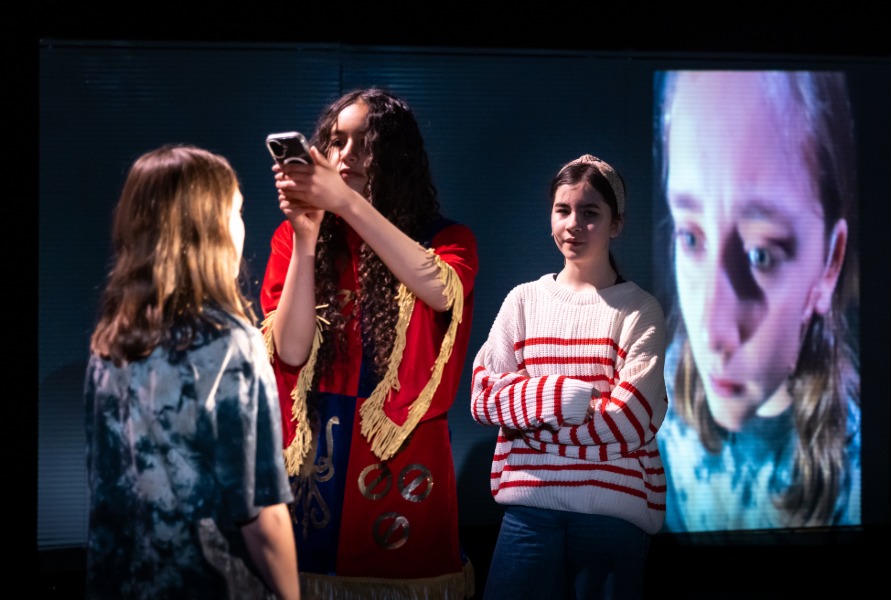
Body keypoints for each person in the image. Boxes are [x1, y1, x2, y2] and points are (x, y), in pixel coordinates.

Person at [260, 88, 478, 598]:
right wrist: (306, 236)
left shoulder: (447, 238)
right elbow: (289, 352)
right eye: (336, 142)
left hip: (400, 451)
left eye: (366, 142)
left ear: (396, 156)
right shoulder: (294, 238)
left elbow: (438, 290)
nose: (346, 156)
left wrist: (348, 204)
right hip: (321, 450)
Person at [84, 145, 299, 599]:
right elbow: (263, 516)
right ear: (210, 230)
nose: (241, 226)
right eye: (236, 212)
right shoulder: (232, 343)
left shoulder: (109, 343)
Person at [653, 70, 861, 532]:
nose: (711, 331)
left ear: (829, 264)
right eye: (690, 237)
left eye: (760, 254)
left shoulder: (858, 479)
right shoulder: (655, 407)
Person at [470, 155, 667, 599]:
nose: (573, 224)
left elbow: (629, 420)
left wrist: (530, 424)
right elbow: (483, 397)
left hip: (611, 517)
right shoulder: (523, 301)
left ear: (616, 224)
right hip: (527, 513)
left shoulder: (639, 310)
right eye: (563, 210)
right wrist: (564, 399)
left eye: (590, 212)